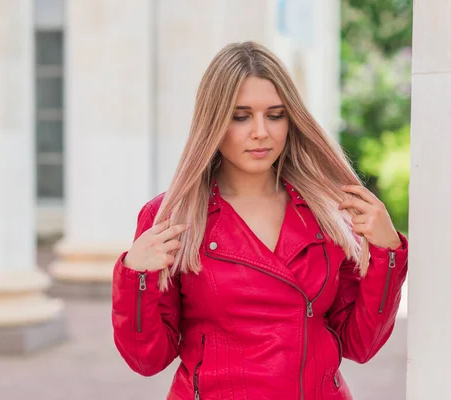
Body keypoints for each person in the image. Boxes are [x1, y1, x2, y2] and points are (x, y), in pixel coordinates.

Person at [111, 41, 408, 400]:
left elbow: (361, 343)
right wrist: (135, 275)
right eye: (241, 116)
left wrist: (386, 252)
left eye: (275, 114)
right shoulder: (175, 217)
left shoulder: (327, 212)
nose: (260, 132)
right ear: (214, 121)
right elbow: (147, 359)